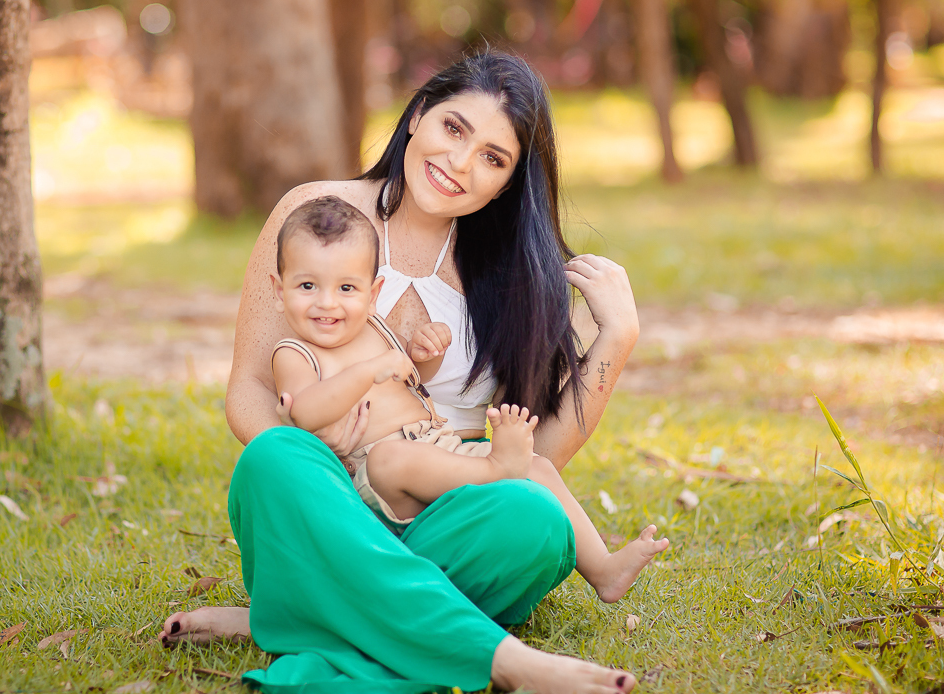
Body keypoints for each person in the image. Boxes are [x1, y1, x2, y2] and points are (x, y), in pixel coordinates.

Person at [161, 51, 644, 694]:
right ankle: (503, 661)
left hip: (445, 506)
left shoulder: (513, 274)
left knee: (536, 519)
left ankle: (299, 614)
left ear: (508, 182)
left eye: (493, 158)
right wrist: (329, 470)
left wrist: (617, 339)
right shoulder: (316, 215)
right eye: (453, 127)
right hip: (327, 499)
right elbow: (250, 387)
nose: (460, 163)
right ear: (417, 115)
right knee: (274, 457)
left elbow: (533, 457)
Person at [268, 194, 669, 593]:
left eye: (345, 288)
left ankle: (604, 570)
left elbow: (410, 381)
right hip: (373, 481)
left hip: (439, 448)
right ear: (279, 290)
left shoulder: (373, 329)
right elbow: (305, 411)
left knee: (538, 468)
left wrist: (424, 355)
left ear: (372, 295)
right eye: (307, 285)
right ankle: (495, 470)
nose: (327, 303)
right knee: (390, 458)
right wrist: (367, 372)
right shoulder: (294, 353)